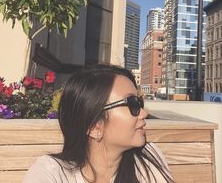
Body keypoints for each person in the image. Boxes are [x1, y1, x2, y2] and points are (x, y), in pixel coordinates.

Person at [23, 64, 174, 183]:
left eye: (139, 102)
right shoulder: (51, 173)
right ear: (94, 126)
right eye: (132, 103)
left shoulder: (147, 158)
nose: (143, 113)